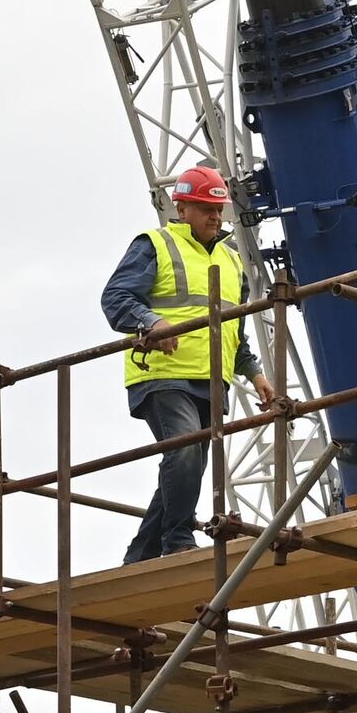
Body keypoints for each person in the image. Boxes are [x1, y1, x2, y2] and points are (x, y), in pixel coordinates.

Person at [102, 167, 275, 563]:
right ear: (182, 209)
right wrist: (152, 322)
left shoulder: (232, 264)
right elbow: (115, 297)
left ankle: (141, 555)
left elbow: (236, 330)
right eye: (205, 208)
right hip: (164, 374)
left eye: (219, 209)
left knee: (190, 465)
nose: (216, 217)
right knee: (183, 454)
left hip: (213, 379)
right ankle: (178, 540)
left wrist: (255, 374)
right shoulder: (156, 245)